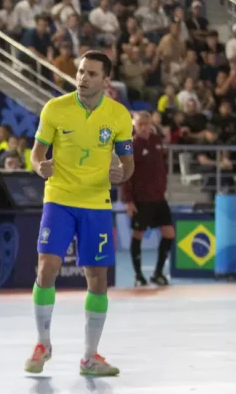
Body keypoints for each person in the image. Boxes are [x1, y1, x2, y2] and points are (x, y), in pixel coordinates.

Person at [26, 50, 134, 376]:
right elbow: (35, 156)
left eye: (91, 73)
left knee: (97, 279)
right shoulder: (55, 109)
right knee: (47, 267)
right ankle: (42, 343)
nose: (83, 78)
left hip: (97, 203)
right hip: (59, 198)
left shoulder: (118, 116)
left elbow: (128, 164)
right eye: (81, 72)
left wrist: (122, 174)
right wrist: (39, 167)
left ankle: (90, 358)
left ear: (105, 80)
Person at [121, 112, 174, 287]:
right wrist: (128, 201)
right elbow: (125, 175)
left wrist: (163, 185)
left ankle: (158, 273)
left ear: (150, 123)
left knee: (169, 233)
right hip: (140, 200)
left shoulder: (157, 141)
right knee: (138, 235)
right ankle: (138, 276)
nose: (144, 127)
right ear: (134, 126)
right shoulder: (131, 145)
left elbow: (163, 166)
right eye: (140, 124)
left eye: (146, 123)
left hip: (158, 198)